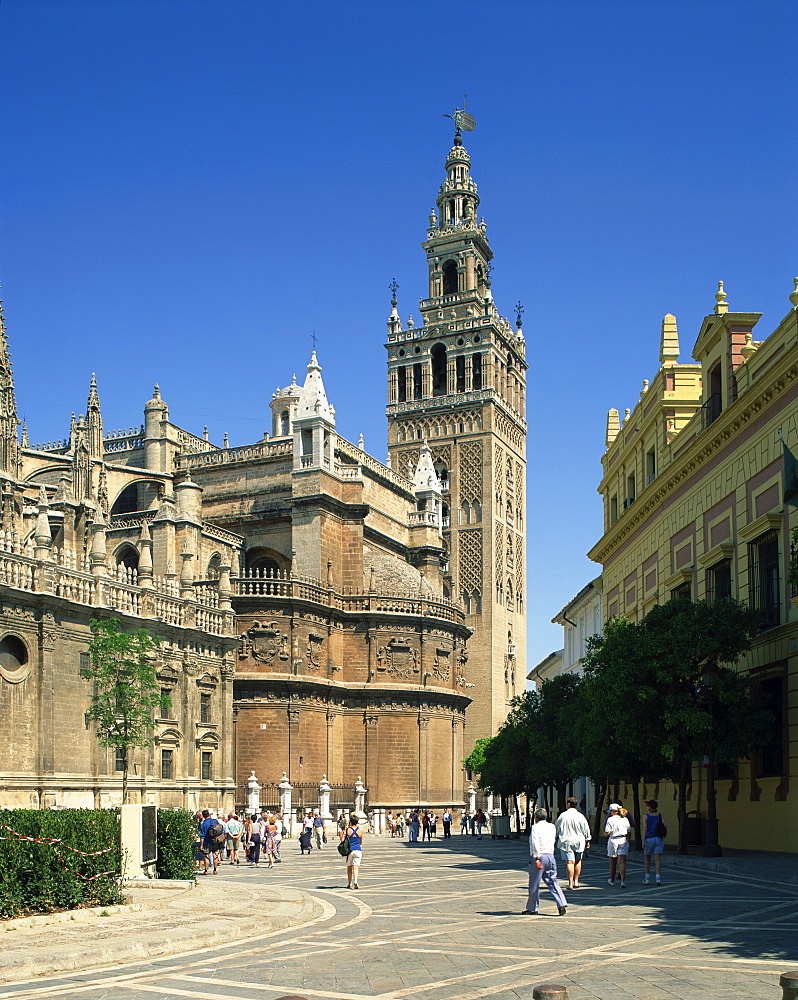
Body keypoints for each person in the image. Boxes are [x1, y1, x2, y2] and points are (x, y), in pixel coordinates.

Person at [523, 807, 567, 916]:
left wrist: (536, 857)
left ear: (536, 818)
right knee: (552, 880)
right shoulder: (552, 826)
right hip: (550, 855)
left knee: (534, 883)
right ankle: (561, 902)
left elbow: (535, 843)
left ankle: (533, 908)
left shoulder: (535, 827)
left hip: (540, 856)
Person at [555, 797, 591, 889]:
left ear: (568, 804)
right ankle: (576, 881)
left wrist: (555, 837)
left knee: (570, 862)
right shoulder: (580, 816)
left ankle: (570, 883)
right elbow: (586, 829)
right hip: (579, 841)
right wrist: (588, 840)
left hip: (566, 841)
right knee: (578, 861)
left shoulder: (563, 815)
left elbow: (557, 827)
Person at [605, 803, 631, 887]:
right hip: (623, 839)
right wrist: (628, 840)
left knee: (613, 862)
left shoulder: (610, 819)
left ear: (612, 811)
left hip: (613, 840)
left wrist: (605, 834)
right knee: (622, 862)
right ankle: (623, 881)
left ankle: (612, 880)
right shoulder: (625, 819)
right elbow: (629, 831)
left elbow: (608, 832)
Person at [642, 799, 665, 886]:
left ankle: (647, 878)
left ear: (650, 807)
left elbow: (645, 829)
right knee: (657, 859)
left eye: (647, 806)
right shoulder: (660, 815)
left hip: (649, 839)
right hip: (659, 838)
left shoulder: (646, 816)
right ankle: (658, 878)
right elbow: (665, 825)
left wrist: (643, 840)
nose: (646, 807)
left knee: (647, 858)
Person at [340, 811, 364, 890]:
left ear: (350, 821)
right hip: (358, 850)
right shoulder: (360, 831)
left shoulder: (348, 830)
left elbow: (344, 840)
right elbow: (360, 842)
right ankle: (356, 881)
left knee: (349, 867)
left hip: (350, 850)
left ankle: (349, 883)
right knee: (356, 867)